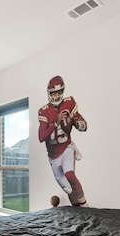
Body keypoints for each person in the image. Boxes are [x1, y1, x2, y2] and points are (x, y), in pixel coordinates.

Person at [38, 75, 88, 207]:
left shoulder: (69, 103)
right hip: (53, 156)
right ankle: (76, 208)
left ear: (62, 92)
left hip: (67, 147)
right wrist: (56, 122)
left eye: (59, 92)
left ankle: (86, 207)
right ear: (49, 94)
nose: (56, 95)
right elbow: (41, 137)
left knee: (70, 175)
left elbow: (83, 125)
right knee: (68, 189)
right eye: (53, 93)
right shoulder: (44, 111)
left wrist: (79, 123)